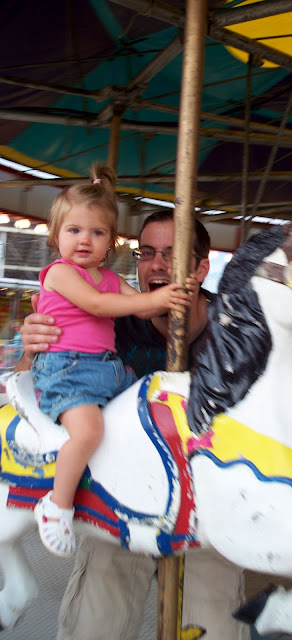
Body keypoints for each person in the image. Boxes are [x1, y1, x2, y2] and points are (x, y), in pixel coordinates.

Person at [16, 207, 248, 640]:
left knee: (213, 623)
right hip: (121, 494)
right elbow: (49, 382)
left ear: (200, 267)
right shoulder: (109, 319)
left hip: (209, 504)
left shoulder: (236, 330)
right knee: (95, 622)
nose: (156, 265)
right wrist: (35, 344)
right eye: (146, 254)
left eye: (171, 254)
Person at [30, 164, 194, 558]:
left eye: (97, 232)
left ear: (110, 243)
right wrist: (158, 298)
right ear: (56, 237)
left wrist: (171, 293)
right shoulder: (60, 274)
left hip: (107, 369)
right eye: (74, 230)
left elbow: (136, 309)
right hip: (67, 371)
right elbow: (100, 305)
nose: (84, 240)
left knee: (149, 398)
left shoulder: (107, 277)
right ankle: (57, 505)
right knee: (88, 432)